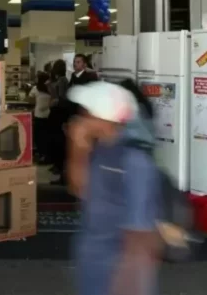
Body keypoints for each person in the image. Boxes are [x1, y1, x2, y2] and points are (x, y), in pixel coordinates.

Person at [67, 81, 161, 295]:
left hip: (117, 271)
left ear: (104, 118)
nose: (81, 116)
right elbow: (79, 188)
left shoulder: (134, 160)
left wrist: (129, 286)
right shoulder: (100, 148)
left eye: (87, 112)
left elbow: (140, 234)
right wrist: (77, 148)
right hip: (94, 261)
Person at [28, 71, 51, 162]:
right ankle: (46, 155)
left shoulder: (35, 88)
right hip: (49, 115)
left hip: (38, 116)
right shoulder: (50, 88)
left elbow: (30, 100)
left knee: (38, 138)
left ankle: (41, 155)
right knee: (46, 137)